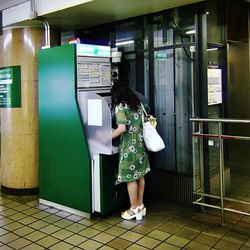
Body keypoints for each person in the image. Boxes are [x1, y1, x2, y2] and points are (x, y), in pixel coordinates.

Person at [111, 82, 150, 221]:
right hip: (140, 146)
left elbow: (121, 129)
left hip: (129, 148)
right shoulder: (137, 105)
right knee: (140, 175)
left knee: (130, 178)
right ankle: (140, 206)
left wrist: (106, 137)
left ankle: (133, 209)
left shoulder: (120, 106)